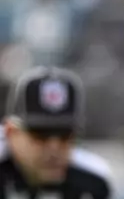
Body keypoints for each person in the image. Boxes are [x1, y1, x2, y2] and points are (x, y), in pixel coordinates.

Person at [0, 66, 113, 198]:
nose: (54, 148)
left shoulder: (92, 181)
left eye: (65, 135)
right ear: (10, 132)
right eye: (40, 135)